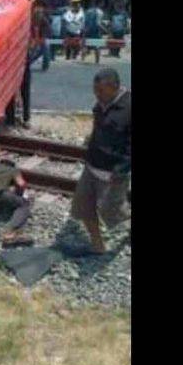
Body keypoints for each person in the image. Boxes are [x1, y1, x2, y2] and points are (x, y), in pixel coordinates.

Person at [70, 68, 131, 254]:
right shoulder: (100, 105)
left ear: (114, 87)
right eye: (95, 90)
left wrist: (121, 170)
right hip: (92, 165)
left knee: (111, 212)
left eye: (101, 91)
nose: (97, 95)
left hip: (113, 171)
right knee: (83, 206)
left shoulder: (128, 107)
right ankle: (98, 246)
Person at [29, 0, 51, 71]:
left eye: (41, 7)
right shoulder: (31, 16)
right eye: (37, 6)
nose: (39, 9)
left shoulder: (45, 18)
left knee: (45, 47)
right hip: (32, 36)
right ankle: (27, 63)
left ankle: (45, 65)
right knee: (32, 49)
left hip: (42, 36)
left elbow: (46, 29)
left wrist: (42, 38)